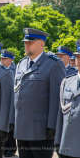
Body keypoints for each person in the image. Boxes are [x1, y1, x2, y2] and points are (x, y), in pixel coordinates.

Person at [14, 28, 66, 158]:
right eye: (25, 42)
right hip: (22, 128)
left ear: (42, 44)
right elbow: (16, 95)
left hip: (41, 131)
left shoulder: (54, 64)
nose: (26, 44)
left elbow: (57, 98)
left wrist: (52, 126)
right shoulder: (22, 64)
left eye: (30, 42)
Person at [55, 39, 80, 158]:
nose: (79, 60)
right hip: (67, 145)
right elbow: (61, 114)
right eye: (78, 57)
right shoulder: (67, 82)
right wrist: (58, 140)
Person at [0, 49, 17, 157]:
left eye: (4, 58)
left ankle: (11, 148)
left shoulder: (13, 69)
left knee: (10, 128)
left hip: (11, 100)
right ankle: (5, 147)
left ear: (10, 60)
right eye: (1, 58)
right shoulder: (1, 69)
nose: (2, 60)